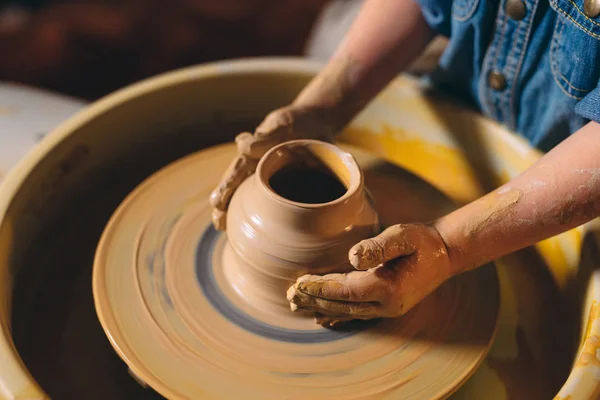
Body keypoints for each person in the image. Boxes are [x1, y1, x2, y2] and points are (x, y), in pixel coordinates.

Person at [210, 0, 600, 323]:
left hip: (575, 150)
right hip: (471, 56)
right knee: (334, 36)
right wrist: (321, 107)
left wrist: (448, 246)